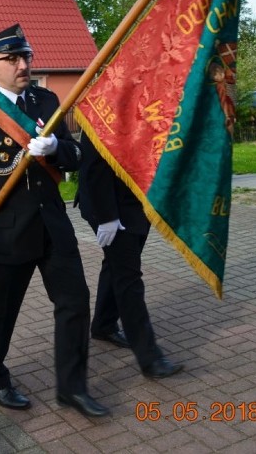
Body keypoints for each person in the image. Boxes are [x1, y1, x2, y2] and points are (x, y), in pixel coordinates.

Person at [0, 23, 109, 418]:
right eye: (11, 58)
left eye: (25, 55)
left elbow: (76, 155)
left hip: (53, 226)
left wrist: (55, 148)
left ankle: (72, 387)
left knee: (75, 302)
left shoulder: (48, 103)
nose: (22, 63)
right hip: (6, 232)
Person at [76, 134, 184, 379]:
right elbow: (94, 162)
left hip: (136, 202)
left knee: (116, 265)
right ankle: (150, 358)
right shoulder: (106, 100)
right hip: (109, 205)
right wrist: (107, 217)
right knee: (129, 278)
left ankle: (104, 324)